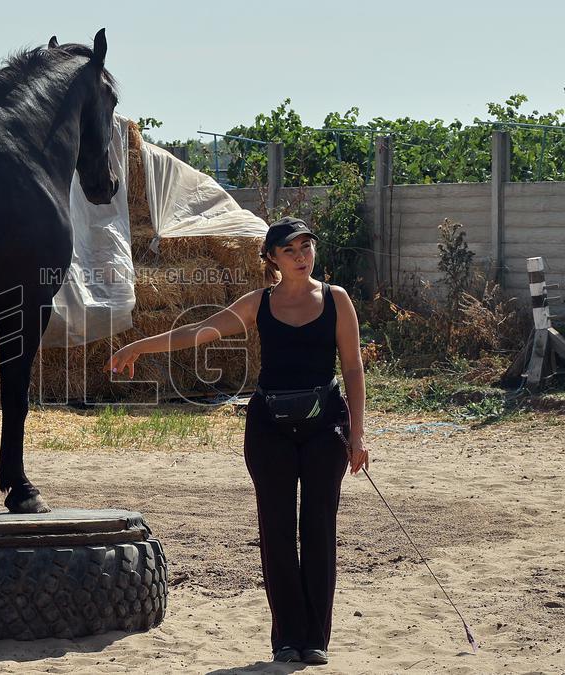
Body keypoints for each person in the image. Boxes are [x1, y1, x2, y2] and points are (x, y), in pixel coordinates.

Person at [105, 216, 369, 665]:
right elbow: (196, 332)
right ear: (272, 259)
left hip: (326, 427)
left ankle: (316, 640)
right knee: (277, 531)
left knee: (319, 528)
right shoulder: (257, 303)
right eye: (290, 249)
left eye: (307, 246)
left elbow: (353, 368)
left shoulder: (337, 300)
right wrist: (138, 347)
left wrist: (358, 434)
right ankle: (288, 637)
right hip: (269, 428)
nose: (302, 255)